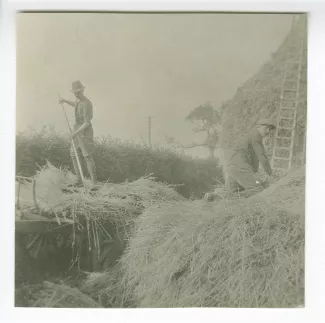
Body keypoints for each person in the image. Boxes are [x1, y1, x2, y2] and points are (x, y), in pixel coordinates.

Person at [59, 80, 97, 187]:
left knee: (87, 156)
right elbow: (74, 104)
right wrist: (64, 101)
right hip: (76, 131)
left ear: (82, 91)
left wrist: (75, 133)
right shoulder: (77, 100)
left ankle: (94, 183)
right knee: (73, 154)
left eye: (78, 92)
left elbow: (86, 123)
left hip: (85, 132)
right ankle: (79, 180)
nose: (77, 94)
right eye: (75, 93)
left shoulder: (87, 104)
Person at [223, 117, 276, 195]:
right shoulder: (256, 136)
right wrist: (270, 174)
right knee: (258, 189)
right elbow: (262, 157)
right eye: (266, 128)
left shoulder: (249, 136)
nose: (268, 131)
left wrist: (256, 178)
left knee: (237, 190)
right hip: (239, 167)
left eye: (269, 129)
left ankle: (214, 196)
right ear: (258, 127)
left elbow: (254, 162)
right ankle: (234, 196)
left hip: (230, 168)